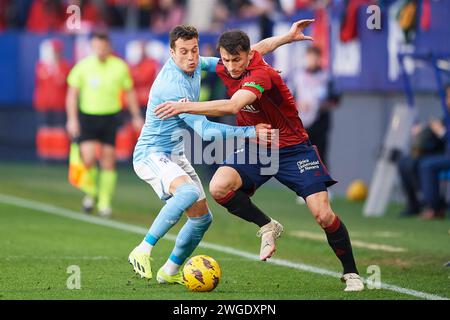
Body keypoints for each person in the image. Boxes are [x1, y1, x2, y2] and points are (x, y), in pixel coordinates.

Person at [155, 28, 364, 291]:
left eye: (236, 60)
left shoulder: (263, 74)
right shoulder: (230, 63)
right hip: (258, 146)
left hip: (293, 149)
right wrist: (286, 37)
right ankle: (267, 225)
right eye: (226, 60)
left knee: (323, 215)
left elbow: (233, 106)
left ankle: (351, 273)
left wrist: (183, 105)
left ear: (247, 55)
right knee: (219, 187)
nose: (230, 67)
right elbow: (263, 45)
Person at [128, 25, 277, 285]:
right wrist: (249, 132)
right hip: (150, 154)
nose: (191, 57)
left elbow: (246, 54)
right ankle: (143, 248)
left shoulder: (196, 64)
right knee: (186, 194)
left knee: (201, 219)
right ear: (171, 53)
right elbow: (206, 130)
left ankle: (170, 271)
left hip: (174, 154)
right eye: (183, 52)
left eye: (194, 50)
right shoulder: (172, 86)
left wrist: (286, 38)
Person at [66, 31, 144, 217]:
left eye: (103, 46)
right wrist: (72, 119)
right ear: (92, 47)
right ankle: (91, 192)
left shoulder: (119, 67)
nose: (100, 50)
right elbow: (72, 94)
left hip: (110, 117)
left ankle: (104, 202)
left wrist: (136, 116)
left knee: (108, 159)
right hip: (88, 117)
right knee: (88, 158)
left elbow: (130, 92)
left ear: (109, 47)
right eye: (96, 46)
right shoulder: (83, 66)